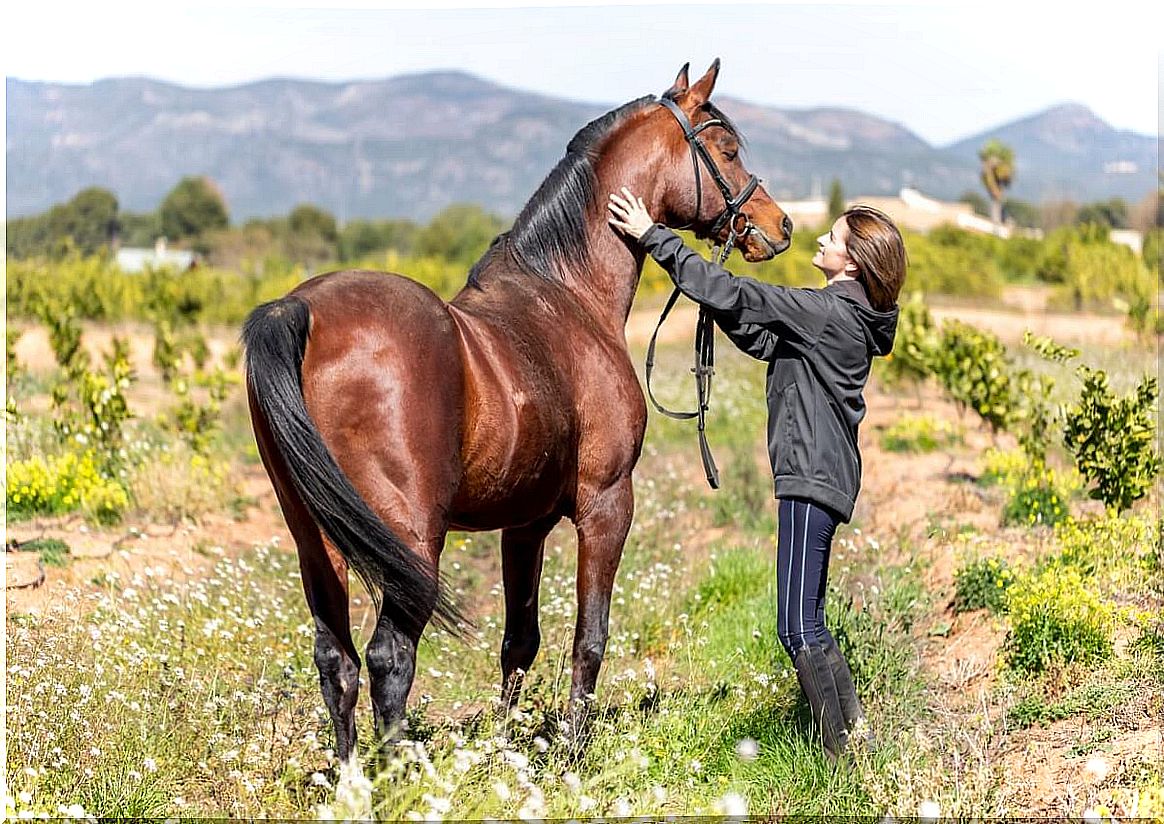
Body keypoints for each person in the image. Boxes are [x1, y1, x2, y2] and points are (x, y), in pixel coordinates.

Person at [607, 186, 906, 762]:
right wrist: (712, 303)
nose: (822, 239)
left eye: (835, 238)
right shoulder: (843, 318)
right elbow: (765, 337)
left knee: (796, 627)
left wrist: (653, 237)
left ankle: (839, 759)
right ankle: (856, 739)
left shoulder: (829, 312)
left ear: (854, 262)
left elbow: (742, 293)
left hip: (811, 477)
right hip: (823, 476)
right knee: (810, 622)